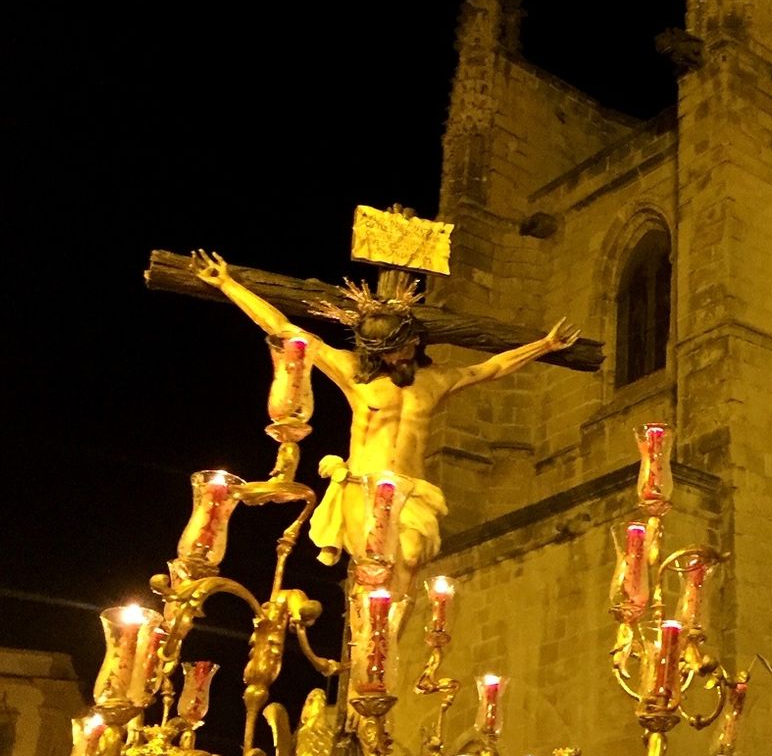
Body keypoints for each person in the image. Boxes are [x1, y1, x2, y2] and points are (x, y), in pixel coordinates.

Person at [192, 251, 578, 593]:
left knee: (410, 556)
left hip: (412, 491)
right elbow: (284, 329)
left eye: (404, 347)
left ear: (415, 341)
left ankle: (387, 636)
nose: (399, 357)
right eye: (390, 353)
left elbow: (490, 368)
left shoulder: (435, 381)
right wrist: (227, 284)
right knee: (371, 570)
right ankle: (369, 638)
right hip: (363, 488)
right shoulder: (353, 374)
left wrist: (544, 345)